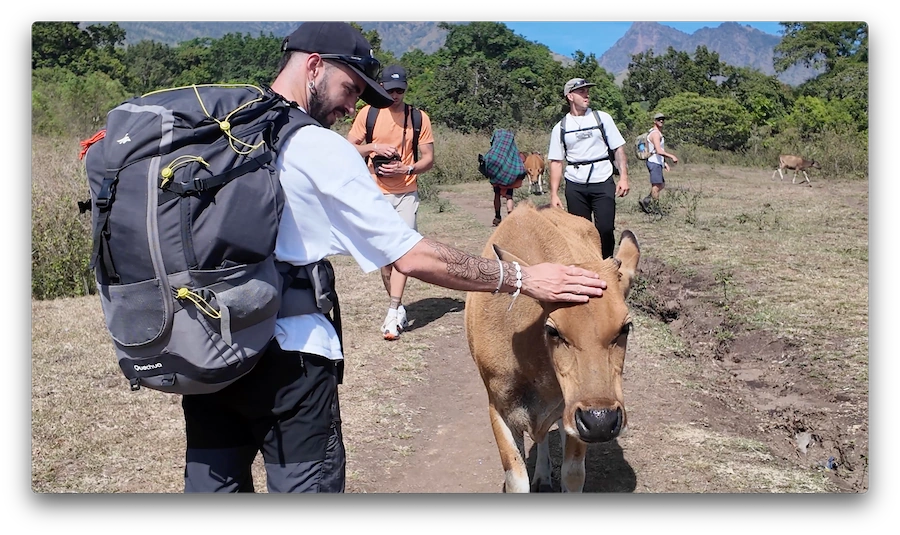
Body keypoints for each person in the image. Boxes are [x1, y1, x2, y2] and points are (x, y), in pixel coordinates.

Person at [181, 21, 612, 494]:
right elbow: (410, 255)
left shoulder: (214, 132)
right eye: (350, 88)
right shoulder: (316, 145)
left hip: (206, 351)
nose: (354, 106)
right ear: (314, 65)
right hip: (290, 359)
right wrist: (519, 277)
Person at [346, 65, 435, 341]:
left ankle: (393, 311)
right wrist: (373, 148)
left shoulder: (418, 117)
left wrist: (406, 169)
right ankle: (397, 308)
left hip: (406, 192)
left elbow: (428, 159)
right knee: (386, 260)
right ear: (380, 88)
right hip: (376, 193)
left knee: (402, 255)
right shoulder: (368, 114)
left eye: (400, 90)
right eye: (389, 89)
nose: (395, 95)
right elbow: (349, 147)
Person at [547, 78, 630, 260]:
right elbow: (556, 162)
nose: (586, 94)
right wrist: (554, 194)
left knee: (606, 228)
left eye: (587, 90)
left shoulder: (602, 118)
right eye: (581, 91)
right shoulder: (561, 127)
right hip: (575, 184)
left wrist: (623, 177)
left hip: (602, 180)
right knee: (580, 231)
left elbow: (618, 149)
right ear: (570, 96)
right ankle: (588, 268)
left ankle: (607, 262)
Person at [639, 112, 678, 215]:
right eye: (658, 119)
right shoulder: (655, 134)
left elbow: (656, 151)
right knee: (656, 186)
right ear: (654, 121)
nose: (661, 121)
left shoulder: (655, 133)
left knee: (661, 184)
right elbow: (659, 150)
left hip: (657, 162)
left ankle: (647, 201)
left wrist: (664, 162)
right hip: (654, 162)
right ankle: (655, 208)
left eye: (662, 119)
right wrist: (671, 156)